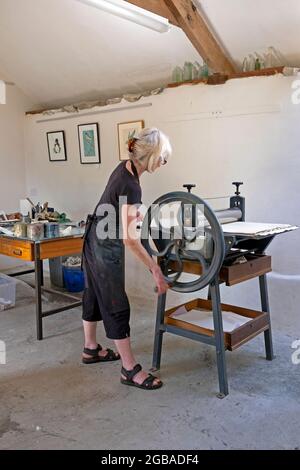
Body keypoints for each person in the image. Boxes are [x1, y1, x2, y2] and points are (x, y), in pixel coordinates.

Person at [82, 128, 172, 390]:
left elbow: (121, 210)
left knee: (93, 293)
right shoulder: (131, 184)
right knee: (115, 302)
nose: (164, 162)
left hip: (92, 236)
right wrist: (155, 269)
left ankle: (90, 349)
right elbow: (130, 239)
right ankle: (130, 369)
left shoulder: (126, 168)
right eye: (163, 157)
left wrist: (134, 215)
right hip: (104, 244)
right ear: (151, 156)